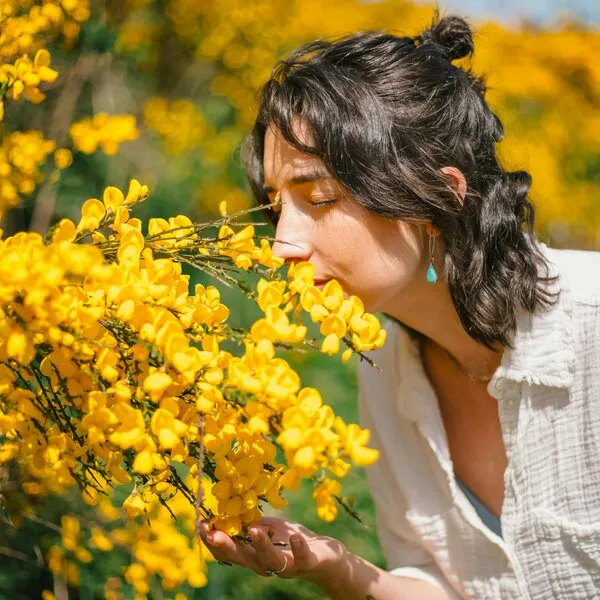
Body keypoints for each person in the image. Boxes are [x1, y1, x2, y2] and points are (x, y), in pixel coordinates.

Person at [197, 13, 600, 599]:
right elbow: (449, 586)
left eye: (318, 197)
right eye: (276, 205)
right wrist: (337, 569)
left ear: (438, 196)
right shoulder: (384, 373)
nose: (281, 242)